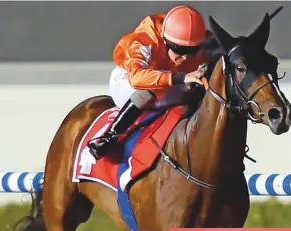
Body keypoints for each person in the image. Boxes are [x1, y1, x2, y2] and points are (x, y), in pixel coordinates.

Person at [88, 5, 209, 160]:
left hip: (171, 80)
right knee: (153, 88)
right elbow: (137, 78)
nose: (185, 57)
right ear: (165, 41)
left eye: (192, 51)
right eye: (179, 49)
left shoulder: (205, 39)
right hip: (129, 81)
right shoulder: (145, 40)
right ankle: (109, 138)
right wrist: (181, 78)